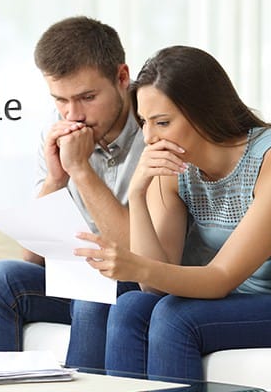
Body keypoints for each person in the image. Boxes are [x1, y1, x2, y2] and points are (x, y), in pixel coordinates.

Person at [73, 45, 271, 381]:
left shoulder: (265, 159)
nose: (150, 138)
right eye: (144, 123)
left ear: (203, 111)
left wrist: (135, 264)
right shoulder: (174, 167)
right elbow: (154, 287)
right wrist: (137, 194)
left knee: (173, 317)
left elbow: (221, 278)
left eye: (162, 122)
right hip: (236, 298)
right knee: (131, 306)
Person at [0, 16, 144, 370]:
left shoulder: (156, 122)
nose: (73, 114)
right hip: (76, 278)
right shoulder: (56, 129)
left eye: (87, 97)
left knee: (95, 295)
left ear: (122, 78)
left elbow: (138, 256)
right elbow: (31, 259)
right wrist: (56, 180)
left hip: (132, 279)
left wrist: (80, 169)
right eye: (60, 100)